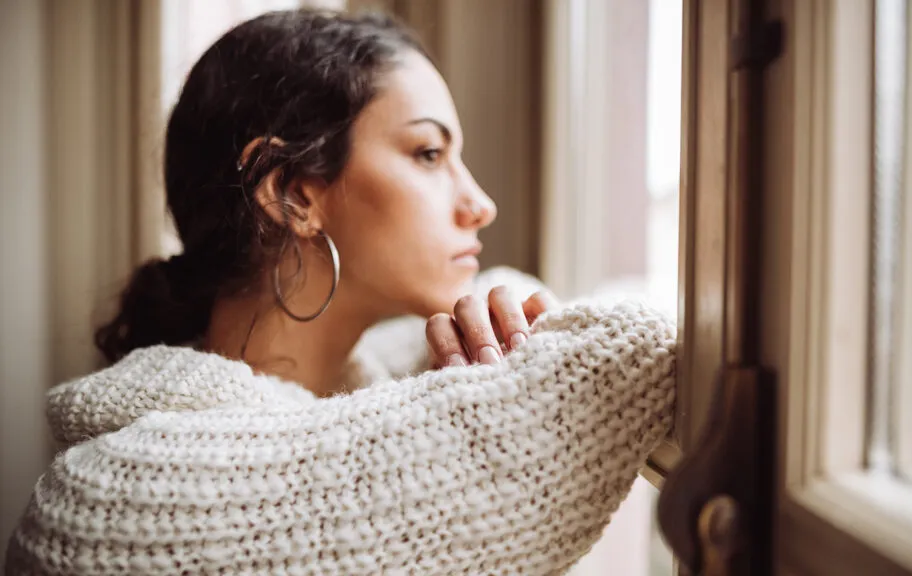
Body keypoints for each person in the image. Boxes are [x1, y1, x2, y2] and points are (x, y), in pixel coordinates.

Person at [4, 10, 677, 575]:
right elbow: (630, 353)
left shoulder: (391, 389)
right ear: (294, 193)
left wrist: (506, 320)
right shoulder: (113, 504)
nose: (480, 203)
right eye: (428, 154)